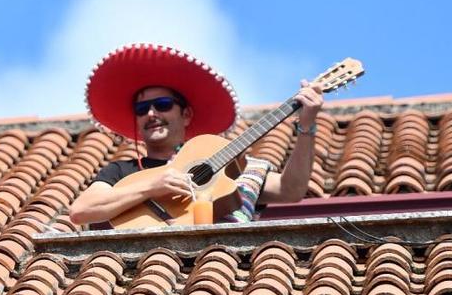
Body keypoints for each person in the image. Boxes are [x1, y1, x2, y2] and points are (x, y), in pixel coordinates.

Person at [69, 43, 323, 227]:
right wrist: (151, 188)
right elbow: (81, 211)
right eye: (141, 108)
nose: (151, 113)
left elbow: (291, 190)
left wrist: (307, 125)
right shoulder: (120, 171)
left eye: (164, 104)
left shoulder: (230, 167)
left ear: (186, 114)